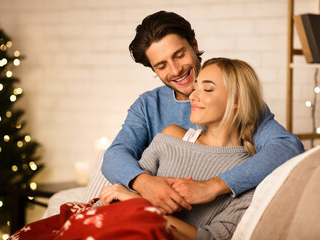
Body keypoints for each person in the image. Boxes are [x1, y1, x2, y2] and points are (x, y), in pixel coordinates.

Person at [101, 11, 304, 214]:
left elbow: (287, 147)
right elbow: (115, 155)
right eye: (161, 66)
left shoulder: (233, 100)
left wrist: (212, 186)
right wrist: (144, 183)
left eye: (179, 55)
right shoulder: (147, 105)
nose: (175, 70)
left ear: (194, 45)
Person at [100, 57, 264, 239]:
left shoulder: (250, 173)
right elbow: (116, 197)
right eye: (196, 87)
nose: (193, 95)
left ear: (237, 101)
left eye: (207, 89)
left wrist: (139, 203)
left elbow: (212, 238)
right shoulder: (172, 136)